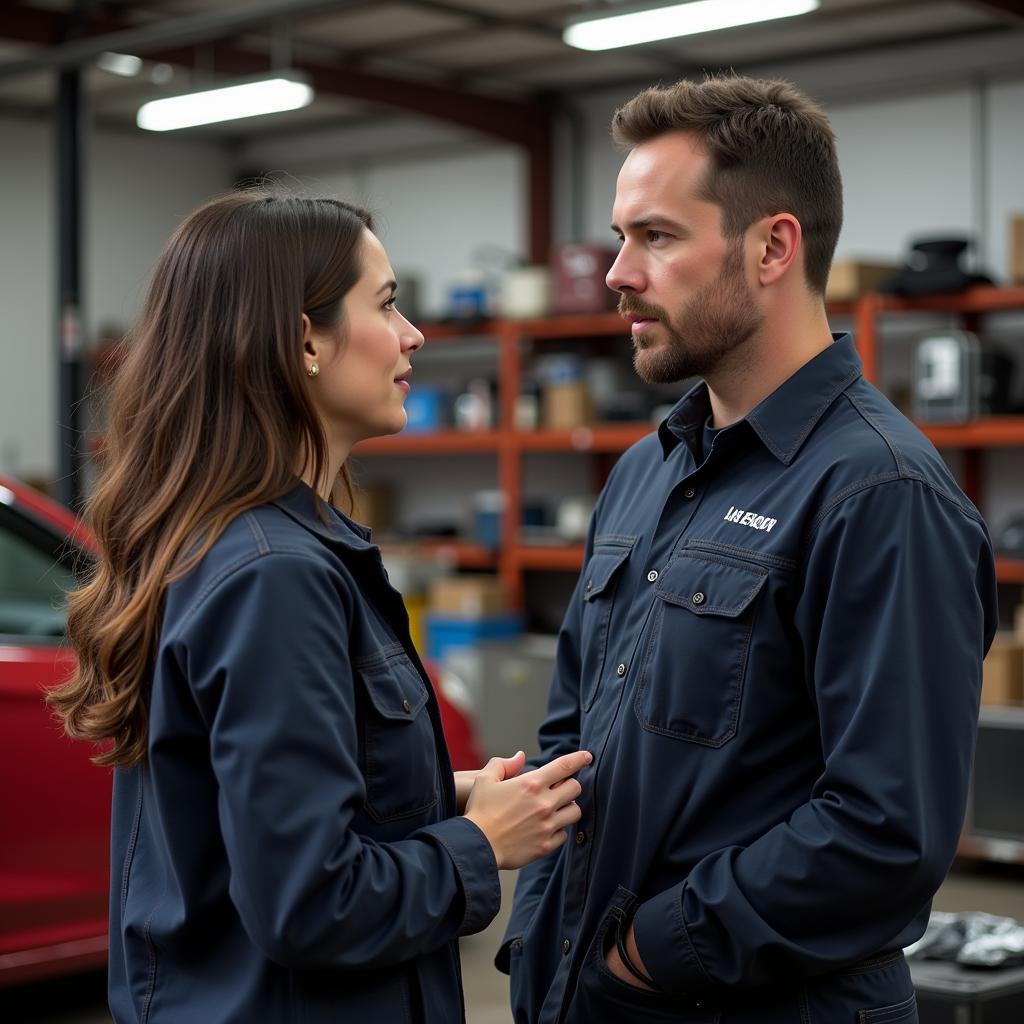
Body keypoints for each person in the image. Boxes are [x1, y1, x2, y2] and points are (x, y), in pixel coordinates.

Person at [500, 75, 997, 1024]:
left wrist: (648, 954)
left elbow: (886, 835)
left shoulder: (880, 493)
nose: (617, 273)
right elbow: (574, 744)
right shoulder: (645, 473)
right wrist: (545, 939)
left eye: (657, 236)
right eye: (620, 237)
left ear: (773, 245)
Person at [49, 190, 591, 1024]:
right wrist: (480, 845)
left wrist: (436, 799)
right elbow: (311, 901)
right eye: (385, 304)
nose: (413, 334)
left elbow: (256, 826)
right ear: (304, 339)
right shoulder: (275, 576)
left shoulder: (234, 543)